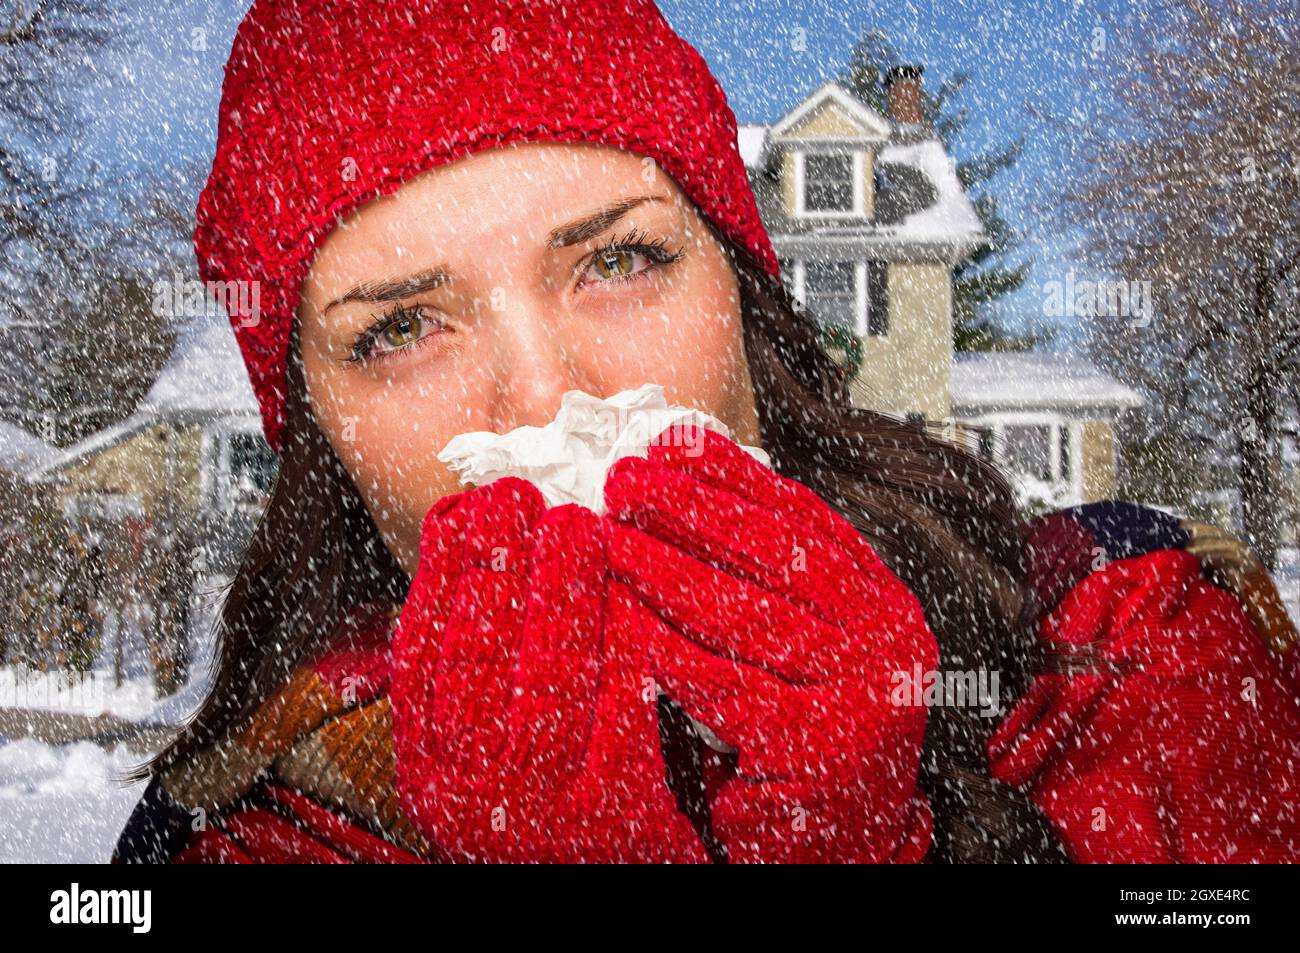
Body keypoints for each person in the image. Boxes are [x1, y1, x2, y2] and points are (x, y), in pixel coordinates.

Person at [113, 0, 1300, 864]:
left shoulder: (1145, 652)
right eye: (400, 328)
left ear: (744, 297)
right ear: (321, 437)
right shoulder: (246, 839)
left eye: (617, 260)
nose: (541, 397)